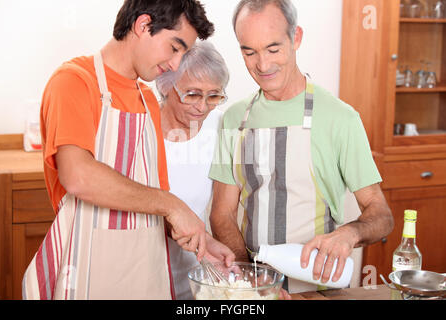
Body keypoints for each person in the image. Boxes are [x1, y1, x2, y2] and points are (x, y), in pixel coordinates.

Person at [22, 0, 222, 300]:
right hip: (85, 277)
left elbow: (156, 206)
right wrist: (173, 205)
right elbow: (78, 176)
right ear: (143, 25)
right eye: (174, 47)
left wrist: (205, 242)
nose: (176, 65)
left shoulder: (148, 101)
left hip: (144, 280)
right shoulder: (74, 80)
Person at [209, 0, 394, 294]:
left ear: (296, 38)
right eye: (249, 51)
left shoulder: (340, 118)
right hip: (256, 289)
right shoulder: (234, 119)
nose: (263, 64)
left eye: (273, 49)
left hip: (320, 287)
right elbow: (222, 214)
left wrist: (350, 232)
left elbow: (381, 214)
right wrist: (252, 280)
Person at [156, 41, 235, 300]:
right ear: (166, 86)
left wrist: (210, 245)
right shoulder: (140, 126)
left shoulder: (219, 125)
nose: (202, 107)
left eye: (213, 95)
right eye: (192, 94)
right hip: (141, 276)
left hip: (195, 277)